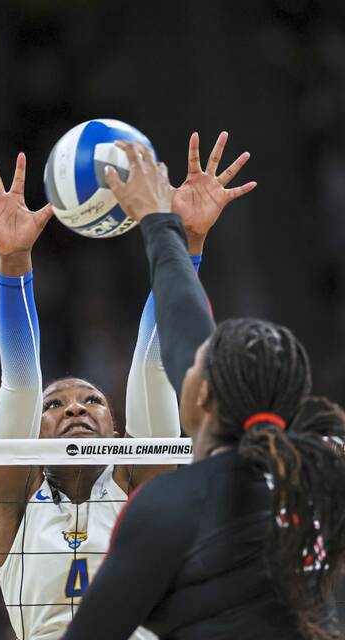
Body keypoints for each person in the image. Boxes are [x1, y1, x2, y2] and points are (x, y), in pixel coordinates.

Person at [0, 132, 254, 640]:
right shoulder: (13, 501)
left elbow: (151, 366)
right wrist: (13, 263)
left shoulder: (142, 485)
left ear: (120, 437)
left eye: (92, 400)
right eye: (57, 405)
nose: (75, 409)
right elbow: (21, 384)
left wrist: (187, 240)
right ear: (32, 437)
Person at [62, 137, 345, 640]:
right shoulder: (323, 477)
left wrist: (157, 219)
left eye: (195, 370)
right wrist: (178, 238)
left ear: (204, 396)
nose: (184, 367)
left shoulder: (171, 504)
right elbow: (186, 337)